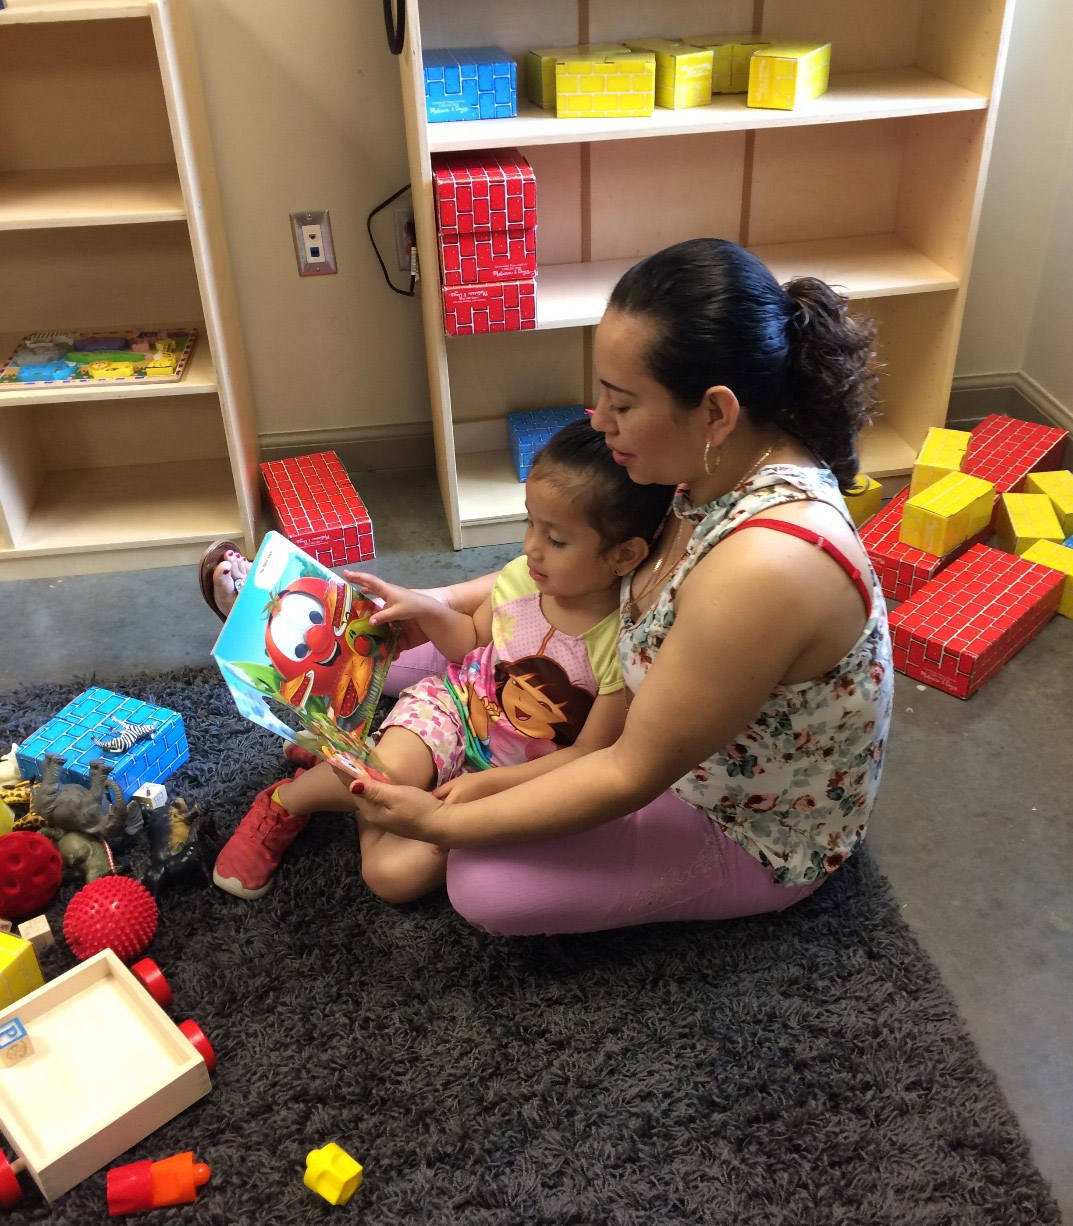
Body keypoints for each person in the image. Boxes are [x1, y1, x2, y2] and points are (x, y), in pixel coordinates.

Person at [338, 237, 895, 935]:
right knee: (405, 633)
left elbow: (626, 770)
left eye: (621, 403)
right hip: (644, 704)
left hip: (734, 816)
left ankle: (385, 780)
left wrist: (459, 815)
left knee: (483, 882)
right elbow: (557, 571)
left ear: (714, 413)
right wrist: (442, 602)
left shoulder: (763, 568)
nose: (597, 422)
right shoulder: (712, 458)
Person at [209, 421, 673, 903]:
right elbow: (469, 641)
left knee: (392, 879)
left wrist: (488, 786)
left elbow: (587, 758)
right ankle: (286, 801)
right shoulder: (520, 579)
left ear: (624, 555)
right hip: (450, 711)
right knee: (388, 772)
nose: (531, 547)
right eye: (529, 522)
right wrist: (429, 609)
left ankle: (352, 772)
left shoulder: (627, 643)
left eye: (556, 540)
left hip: (521, 777)